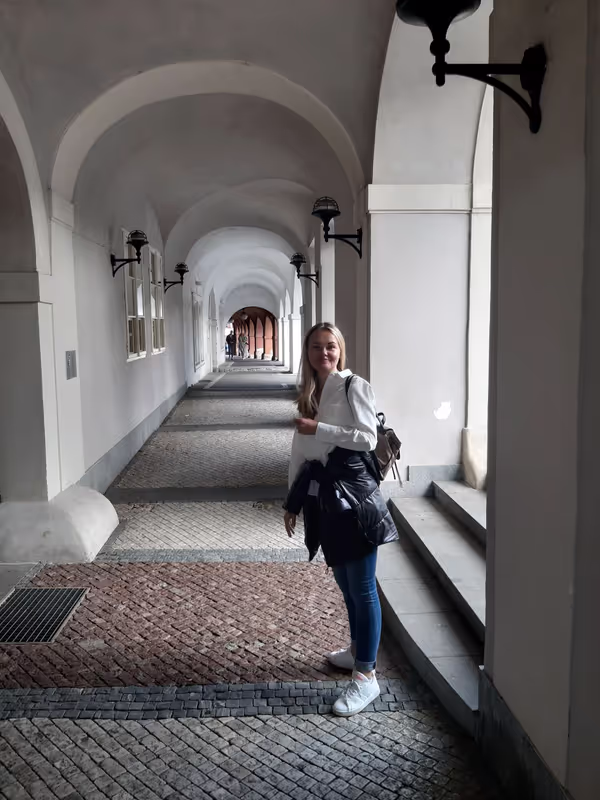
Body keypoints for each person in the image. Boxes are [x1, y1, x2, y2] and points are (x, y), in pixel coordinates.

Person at [283, 322, 398, 717]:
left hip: (355, 498)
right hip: (326, 501)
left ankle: (366, 677)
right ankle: (357, 651)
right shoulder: (309, 393)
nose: (324, 353)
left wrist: (321, 428)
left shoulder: (353, 386)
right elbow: (300, 452)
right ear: (307, 353)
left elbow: (367, 438)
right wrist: (292, 501)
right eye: (316, 347)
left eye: (330, 346)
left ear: (340, 349)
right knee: (347, 586)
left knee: (363, 588)